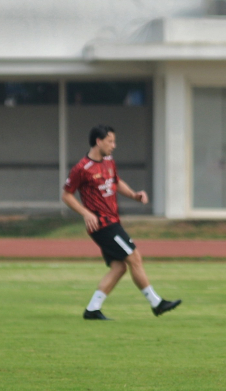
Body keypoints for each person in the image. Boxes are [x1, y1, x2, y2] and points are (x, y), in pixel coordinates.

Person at [62, 125, 181, 320]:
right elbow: (66, 195)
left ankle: (92, 309)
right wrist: (85, 213)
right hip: (102, 225)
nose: (114, 145)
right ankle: (156, 303)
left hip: (113, 221)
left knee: (119, 267)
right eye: (110, 141)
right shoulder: (82, 168)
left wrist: (134, 195)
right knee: (134, 257)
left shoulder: (109, 161)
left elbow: (116, 182)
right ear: (98, 141)